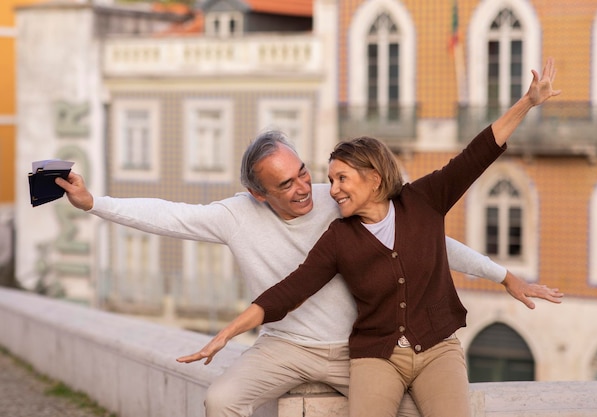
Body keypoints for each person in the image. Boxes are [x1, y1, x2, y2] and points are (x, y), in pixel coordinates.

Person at [56, 71, 562, 417]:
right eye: (286, 184)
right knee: (221, 401)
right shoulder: (249, 216)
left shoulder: (341, 199)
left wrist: (501, 275)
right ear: (258, 193)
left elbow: (433, 238)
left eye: (305, 174)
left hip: (360, 347)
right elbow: (174, 219)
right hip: (294, 348)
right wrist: (94, 202)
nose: (307, 189)